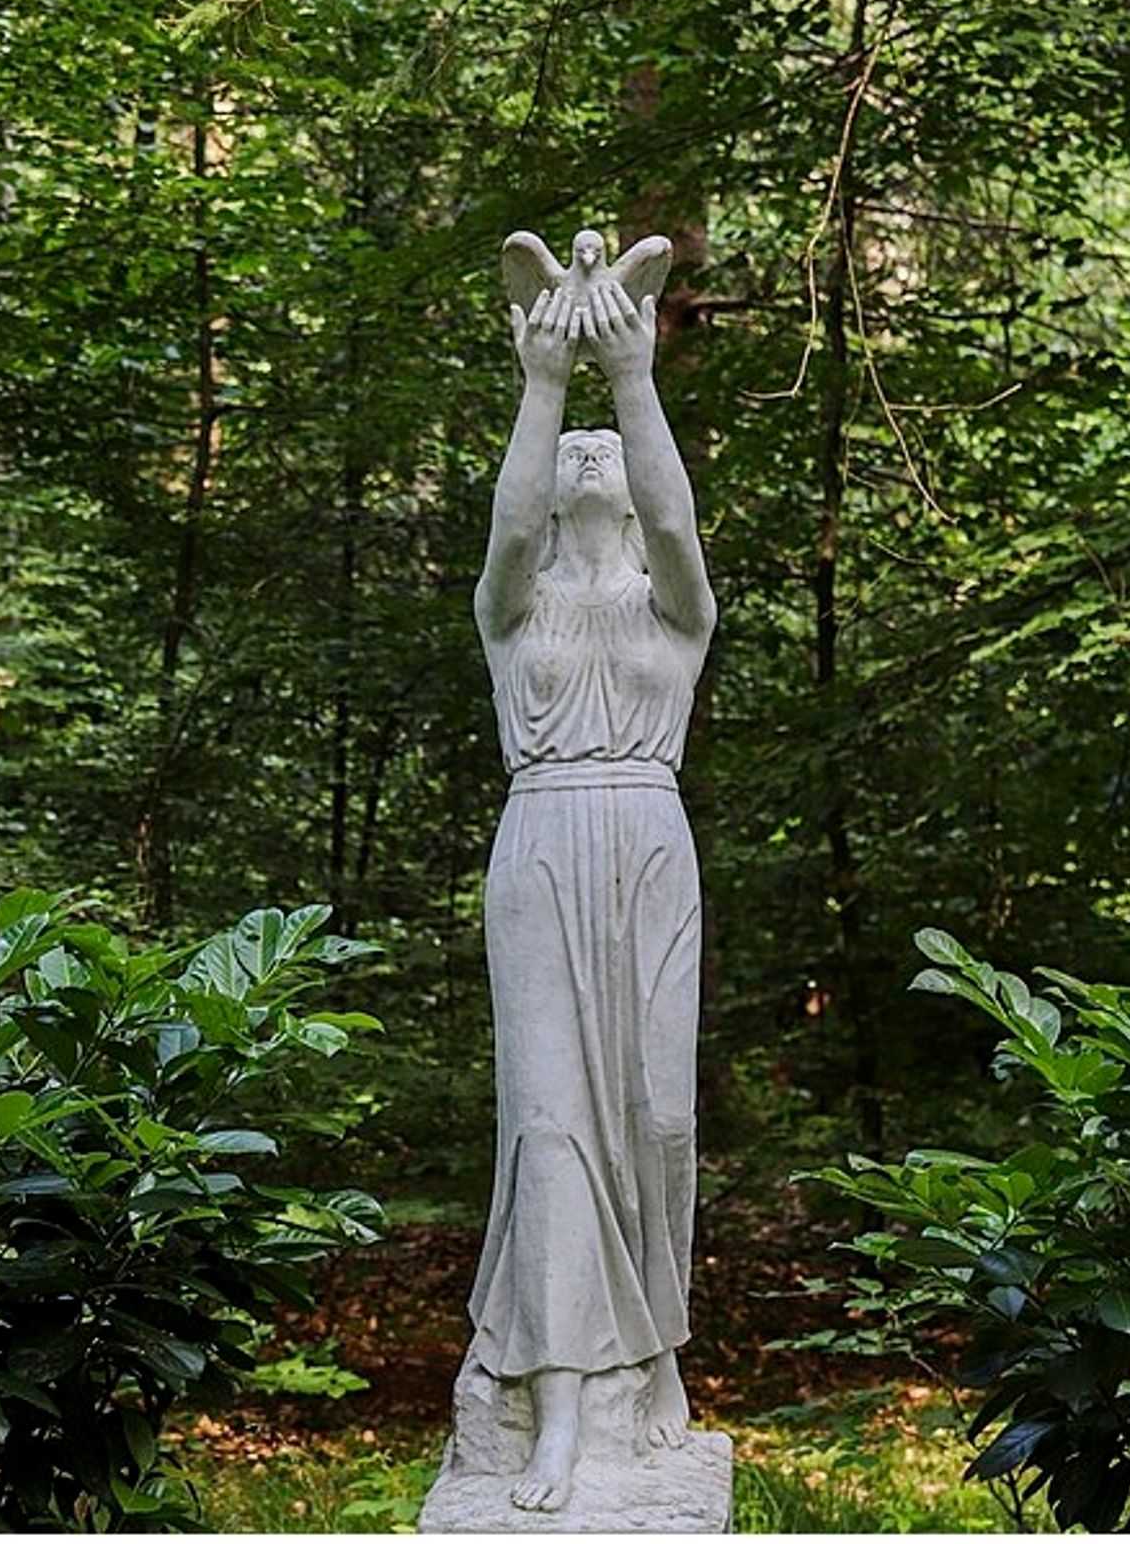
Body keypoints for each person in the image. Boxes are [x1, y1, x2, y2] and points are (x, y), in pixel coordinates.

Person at [468, 269, 717, 1512]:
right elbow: (510, 532)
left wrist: (629, 379)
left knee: (659, 1119)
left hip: (648, 842)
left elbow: (676, 531)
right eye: (567, 450)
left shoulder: (673, 611)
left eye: (597, 449)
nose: (580, 458)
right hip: (543, 846)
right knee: (552, 1125)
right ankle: (558, 1407)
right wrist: (541, 384)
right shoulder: (513, 617)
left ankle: (659, 1350)